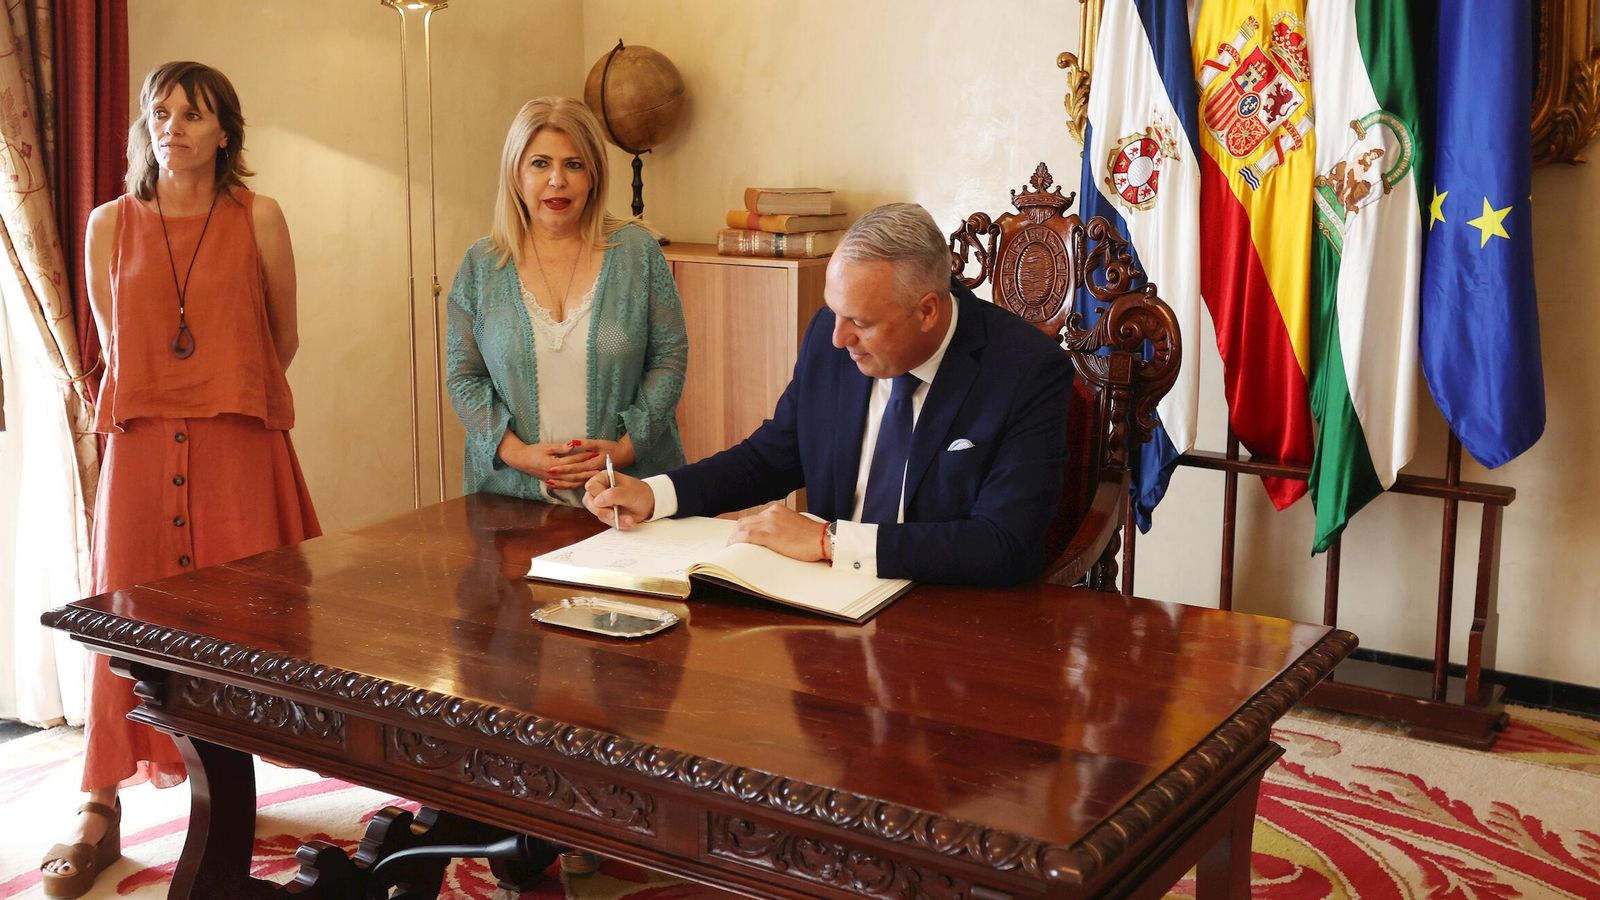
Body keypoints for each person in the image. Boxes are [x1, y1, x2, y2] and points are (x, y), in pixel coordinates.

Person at [41, 62, 321, 898]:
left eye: (194, 115)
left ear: (225, 132)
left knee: (247, 622)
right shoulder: (106, 226)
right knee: (125, 614)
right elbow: (116, 344)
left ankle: (227, 786)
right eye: (160, 113)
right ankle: (98, 803)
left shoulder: (259, 218)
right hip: (139, 449)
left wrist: (220, 393)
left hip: (239, 444)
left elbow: (282, 337)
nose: (174, 128)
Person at [585, 203, 1073, 586]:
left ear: (927, 311)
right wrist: (656, 493)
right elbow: (771, 457)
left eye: (860, 322)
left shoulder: (1026, 372)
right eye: (834, 312)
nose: (839, 338)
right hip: (826, 602)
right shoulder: (830, 336)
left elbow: (1005, 543)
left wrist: (828, 541)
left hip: (947, 619)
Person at [446, 97, 687, 506]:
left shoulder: (637, 251)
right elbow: (464, 376)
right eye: (540, 164)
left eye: (573, 165)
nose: (557, 180)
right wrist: (517, 453)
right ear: (516, 173)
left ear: (593, 175)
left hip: (627, 498)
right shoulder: (481, 265)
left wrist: (626, 449)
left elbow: (669, 358)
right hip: (511, 505)